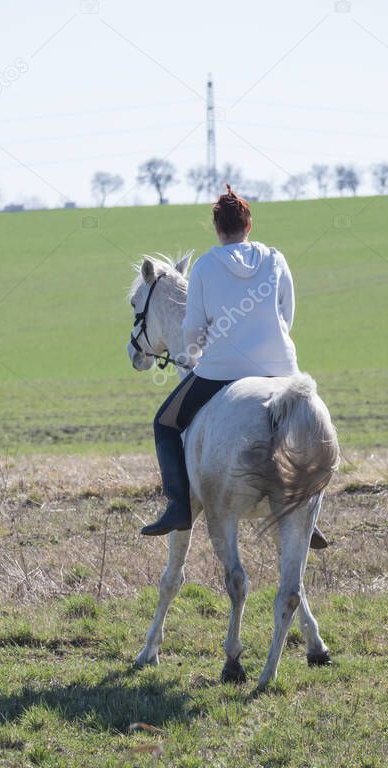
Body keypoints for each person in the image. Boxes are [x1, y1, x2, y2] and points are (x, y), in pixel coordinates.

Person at [140, 185, 328, 549]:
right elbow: (286, 315)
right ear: (249, 224)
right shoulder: (276, 259)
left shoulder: (206, 266)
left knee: (164, 423)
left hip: (221, 371)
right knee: (313, 427)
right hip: (280, 369)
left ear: (216, 227)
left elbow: (192, 329)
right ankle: (311, 515)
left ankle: (178, 506)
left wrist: (195, 355)